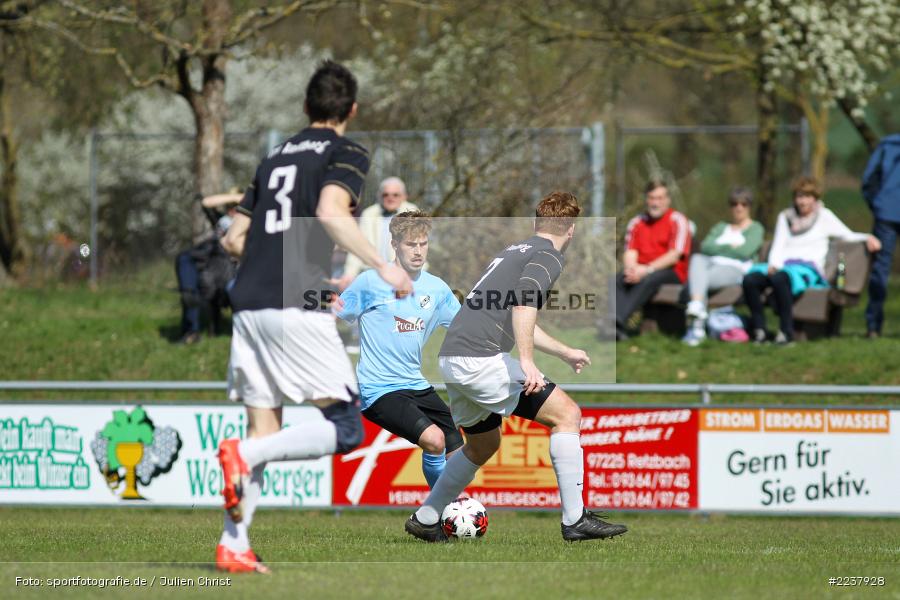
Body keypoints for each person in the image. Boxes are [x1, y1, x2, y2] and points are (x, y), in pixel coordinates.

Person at [213, 60, 413, 574]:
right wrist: (382, 265)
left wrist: (266, 259)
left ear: (305, 106)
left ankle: (233, 544)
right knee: (347, 427)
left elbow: (234, 239)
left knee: (265, 424)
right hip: (293, 300)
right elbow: (330, 211)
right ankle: (244, 458)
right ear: (352, 109)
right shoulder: (344, 151)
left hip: (249, 301)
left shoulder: (273, 156)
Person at [404, 191, 628, 543]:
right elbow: (524, 305)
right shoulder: (548, 256)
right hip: (479, 358)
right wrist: (527, 363)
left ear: (537, 224)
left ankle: (426, 517)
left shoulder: (515, 250)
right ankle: (575, 519)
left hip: (452, 357)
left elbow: (515, 316)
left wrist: (565, 351)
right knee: (567, 415)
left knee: (482, 445)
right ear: (571, 229)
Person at [337, 211, 462, 487]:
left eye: (423, 243)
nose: (418, 251)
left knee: (457, 451)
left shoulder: (437, 288)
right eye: (410, 244)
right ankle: (435, 513)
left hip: (416, 385)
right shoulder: (370, 282)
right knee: (434, 440)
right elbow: (332, 319)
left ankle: (448, 512)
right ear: (394, 244)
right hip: (378, 388)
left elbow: (467, 328)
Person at [742, 176, 881, 345]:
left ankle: (786, 332)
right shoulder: (786, 217)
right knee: (750, 280)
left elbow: (847, 234)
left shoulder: (824, 216)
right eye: (799, 196)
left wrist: (868, 237)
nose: (802, 201)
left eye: (807, 197)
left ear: (815, 199)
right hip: (783, 264)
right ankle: (760, 330)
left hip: (807, 268)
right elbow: (778, 243)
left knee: (781, 279)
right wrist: (774, 264)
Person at [681, 187, 764, 346]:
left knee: (698, 280)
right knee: (697, 258)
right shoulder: (721, 227)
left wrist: (721, 247)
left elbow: (745, 252)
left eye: (743, 204)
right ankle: (697, 307)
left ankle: (696, 329)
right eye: (734, 204)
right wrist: (731, 247)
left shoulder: (755, 228)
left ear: (749, 206)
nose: (739, 207)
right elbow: (705, 247)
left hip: (735, 269)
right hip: (709, 264)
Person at [614, 178, 692, 340]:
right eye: (651, 198)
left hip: (672, 272)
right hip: (642, 270)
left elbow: (674, 256)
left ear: (668, 199)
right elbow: (630, 251)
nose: (655, 203)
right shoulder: (637, 222)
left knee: (649, 279)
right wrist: (631, 269)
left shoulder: (677, 220)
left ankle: (617, 321)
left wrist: (646, 270)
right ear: (646, 199)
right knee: (618, 279)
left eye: (660, 198)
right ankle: (617, 328)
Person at [175, 192, 242, 344]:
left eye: (237, 207)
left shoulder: (252, 221)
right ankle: (192, 331)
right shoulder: (221, 220)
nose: (233, 210)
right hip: (213, 266)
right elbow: (206, 202)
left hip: (235, 268)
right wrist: (234, 197)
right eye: (230, 207)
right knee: (189, 270)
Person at [340, 176, 418, 285]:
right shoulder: (369, 213)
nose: (390, 198)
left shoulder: (413, 213)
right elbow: (359, 245)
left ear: (404, 197)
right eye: (385, 194)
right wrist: (349, 274)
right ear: (379, 196)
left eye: (395, 195)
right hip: (373, 276)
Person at [863, 134, 900, 338]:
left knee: (880, 270)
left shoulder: (888, 144)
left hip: (885, 213)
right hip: (886, 211)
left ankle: (873, 326)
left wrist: (877, 205)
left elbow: (869, 181)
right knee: (880, 271)